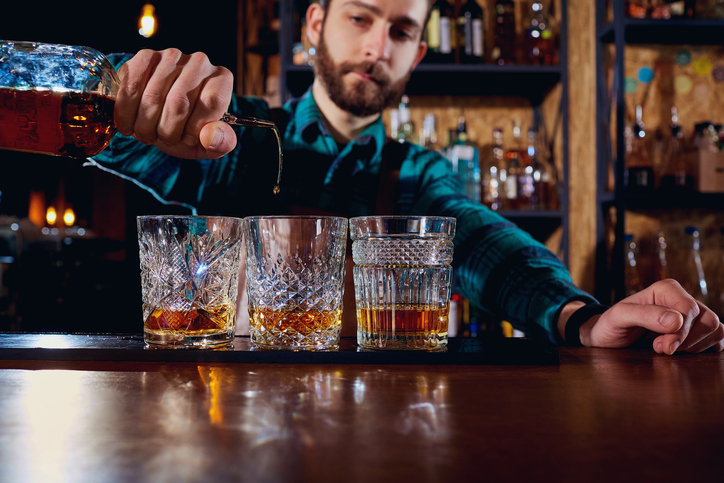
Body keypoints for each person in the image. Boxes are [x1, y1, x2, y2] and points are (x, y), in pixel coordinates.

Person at [90, 0, 723, 353]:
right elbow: (127, 142)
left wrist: (581, 318)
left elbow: (484, 246)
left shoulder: (416, 174)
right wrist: (124, 102)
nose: (377, 46)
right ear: (315, 25)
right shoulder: (238, 134)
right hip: (229, 416)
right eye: (360, 18)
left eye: (400, 32)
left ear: (417, 54)